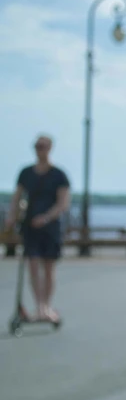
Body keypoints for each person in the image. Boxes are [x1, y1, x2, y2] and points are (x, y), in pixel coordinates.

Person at [4, 135, 71, 323]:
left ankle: (47, 306)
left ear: (50, 148)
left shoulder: (59, 175)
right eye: (36, 146)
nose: (39, 150)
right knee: (33, 265)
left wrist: (46, 218)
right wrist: (12, 216)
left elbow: (63, 203)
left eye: (42, 146)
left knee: (48, 267)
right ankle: (39, 306)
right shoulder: (26, 173)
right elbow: (17, 197)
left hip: (50, 228)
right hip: (29, 227)